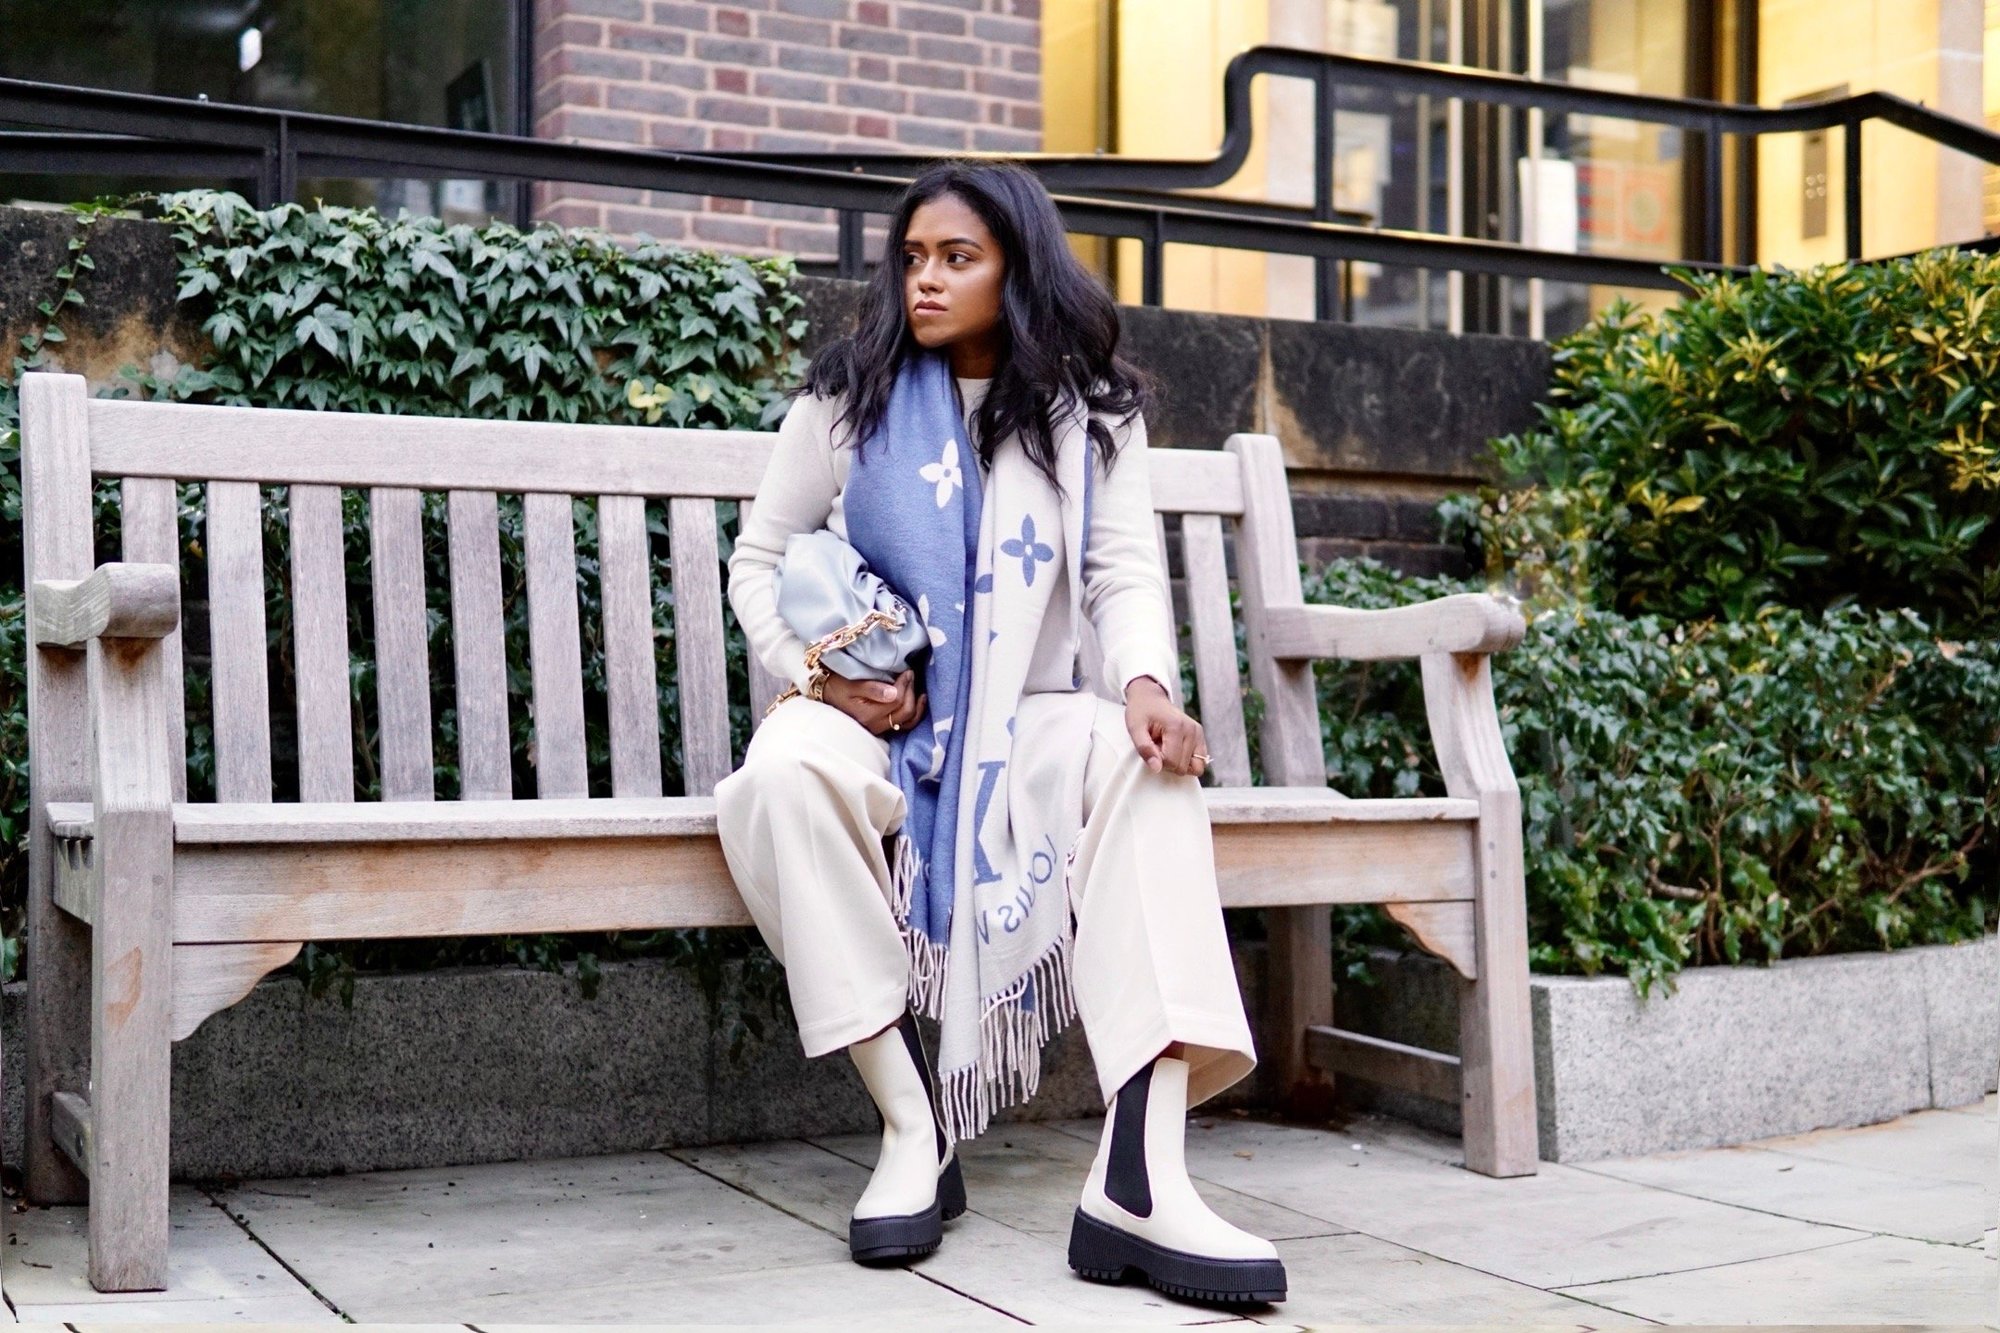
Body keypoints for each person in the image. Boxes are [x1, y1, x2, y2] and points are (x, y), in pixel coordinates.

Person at [713, 157, 1286, 1308]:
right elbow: (760, 562)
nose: (923, 280)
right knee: (777, 776)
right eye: (913, 257)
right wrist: (820, 677)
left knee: (1148, 775)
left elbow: (1123, 575)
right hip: (881, 718)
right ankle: (909, 1125)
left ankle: (1141, 1173)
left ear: (1015, 268)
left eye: (955, 258)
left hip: (1028, 719)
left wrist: (1142, 687)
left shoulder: (1088, 416)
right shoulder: (849, 397)